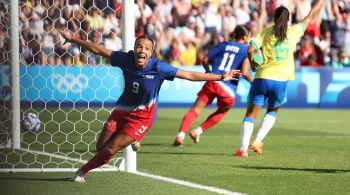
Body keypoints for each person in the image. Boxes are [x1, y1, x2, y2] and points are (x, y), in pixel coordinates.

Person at [58, 31, 242, 182]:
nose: (142, 50)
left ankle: (81, 172)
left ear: (151, 53)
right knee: (100, 148)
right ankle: (128, 142)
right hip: (121, 111)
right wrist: (73, 39)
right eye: (139, 46)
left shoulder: (159, 68)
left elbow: (189, 75)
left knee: (110, 150)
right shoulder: (126, 59)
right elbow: (99, 50)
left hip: (141, 118)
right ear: (134, 48)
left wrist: (220, 76)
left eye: (146, 48)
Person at [234, 0, 324, 157]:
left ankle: (243, 149)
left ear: (274, 18)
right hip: (281, 80)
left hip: (262, 78)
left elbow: (250, 49)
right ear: (288, 20)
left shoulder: (266, 32)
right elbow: (311, 16)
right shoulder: (293, 32)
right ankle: (258, 141)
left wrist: (254, 60)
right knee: (272, 111)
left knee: (250, 114)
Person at [173, 25, 253, 147]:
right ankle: (197, 131)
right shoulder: (245, 50)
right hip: (228, 88)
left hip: (213, 80)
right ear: (246, 37)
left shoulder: (223, 45)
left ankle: (181, 135)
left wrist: (208, 71)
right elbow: (245, 72)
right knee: (222, 111)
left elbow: (204, 60)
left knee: (195, 110)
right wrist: (253, 82)